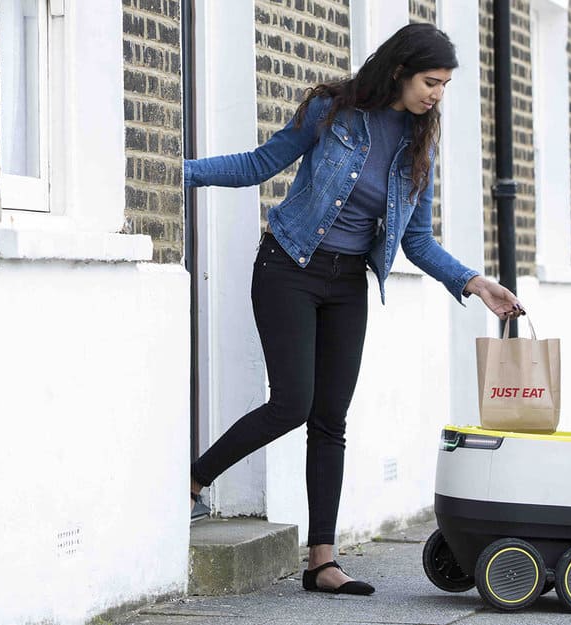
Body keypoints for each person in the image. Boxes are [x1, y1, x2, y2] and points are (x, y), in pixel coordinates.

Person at [183, 23, 524, 596]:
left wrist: (472, 281)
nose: (437, 95)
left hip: (348, 285)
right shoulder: (330, 111)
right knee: (293, 402)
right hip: (288, 266)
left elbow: (417, 240)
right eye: (430, 81)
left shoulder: (421, 144)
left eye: (444, 85)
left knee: (330, 419)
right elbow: (258, 165)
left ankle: (322, 561)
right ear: (400, 70)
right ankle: (192, 480)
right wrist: (182, 173)